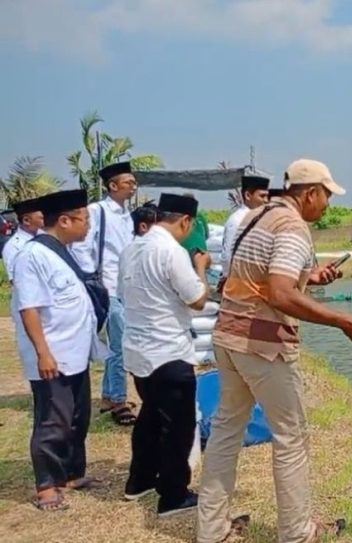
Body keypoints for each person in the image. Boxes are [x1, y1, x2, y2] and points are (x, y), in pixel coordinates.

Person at [196, 159, 352, 543]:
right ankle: (297, 533)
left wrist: (309, 276)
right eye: (326, 196)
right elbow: (279, 294)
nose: (328, 205)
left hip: (228, 337)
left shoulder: (256, 216)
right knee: (291, 436)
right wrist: (343, 320)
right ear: (310, 193)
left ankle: (211, 531)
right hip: (261, 345)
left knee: (227, 431)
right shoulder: (293, 226)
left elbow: (257, 277)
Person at [119, 193, 211, 517]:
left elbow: (124, 293)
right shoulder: (171, 251)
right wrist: (200, 267)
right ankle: (173, 495)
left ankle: (140, 481)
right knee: (178, 427)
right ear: (186, 221)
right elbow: (197, 299)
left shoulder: (133, 247)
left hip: (139, 351)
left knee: (151, 418)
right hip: (168, 351)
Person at [13, 189, 105, 512]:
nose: (88, 226)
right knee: (53, 420)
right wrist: (43, 352)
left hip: (75, 354)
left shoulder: (63, 251)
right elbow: (29, 309)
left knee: (78, 417)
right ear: (64, 221)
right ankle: (47, 486)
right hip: (53, 354)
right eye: (85, 219)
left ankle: (70, 473)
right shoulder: (32, 256)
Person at [70, 160, 138, 426]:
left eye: (133, 182)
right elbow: (81, 246)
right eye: (128, 182)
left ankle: (109, 394)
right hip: (106, 286)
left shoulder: (125, 214)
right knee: (120, 344)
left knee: (117, 343)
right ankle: (120, 400)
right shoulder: (97, 211)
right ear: (112, 185)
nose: (133, 186)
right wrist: (91, 278)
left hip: (124, 285)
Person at [218, 174, 270, 288]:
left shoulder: (258, 217)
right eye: (262, 196)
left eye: (267, 196)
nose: (266, 201)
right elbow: (228, 256)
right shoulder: (237, 221)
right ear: (247, 195)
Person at [2, 196, 44, 283]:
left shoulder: (47, 237)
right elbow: (17, 282)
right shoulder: (14, 247)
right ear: (26, 220)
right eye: (42, 218)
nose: (46, 221)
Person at [179, 192, 209, 257]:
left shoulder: (178, 218)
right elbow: (206, 236)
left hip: (186, 255)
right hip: (202, 254)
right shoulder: (200, 216)